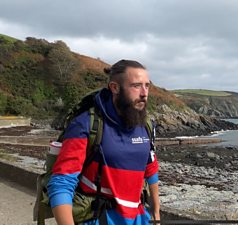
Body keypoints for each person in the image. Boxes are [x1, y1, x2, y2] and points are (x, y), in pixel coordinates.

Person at [47, 60, 160, 225]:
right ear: (115, 88)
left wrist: (156, 211)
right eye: (136, 86)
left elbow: (150, 167)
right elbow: (61, 183)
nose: (144, 93)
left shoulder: (146, 125)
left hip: (139, 219)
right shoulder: (86, 124)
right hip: (98, 219)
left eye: (147, 86)